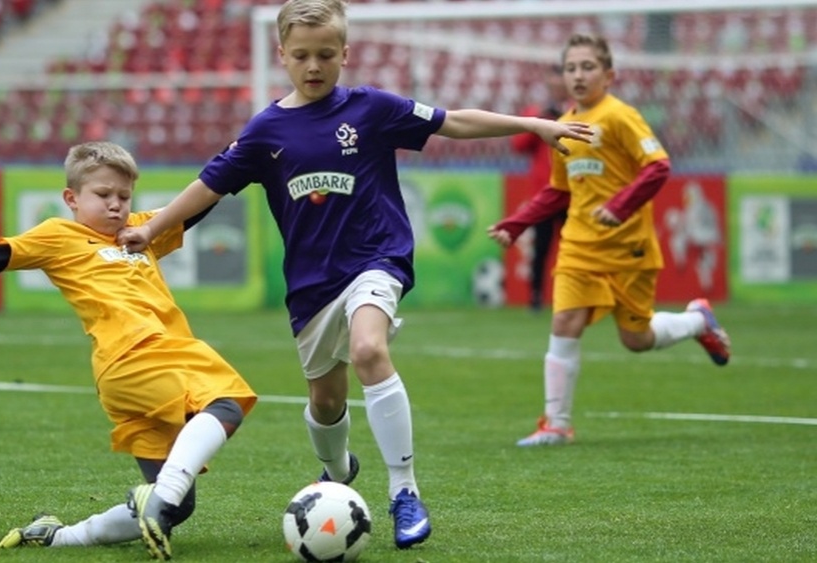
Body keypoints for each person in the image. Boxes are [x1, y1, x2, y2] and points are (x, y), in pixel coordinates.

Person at [115, 0, 591, 550]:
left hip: (377, 259)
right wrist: (151, 230)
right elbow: (210, 184)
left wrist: (532, 122)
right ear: (282, 57)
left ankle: (404, 492)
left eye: (324, 54)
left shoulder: (371, 110)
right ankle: (338, 470)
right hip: (313, 285)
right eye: (301, 56)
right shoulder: (267, 130)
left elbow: (451, 121)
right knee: (325, 401)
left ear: (344, 54)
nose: (313, 65)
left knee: (369, 349)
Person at [0, 141, 257, 561]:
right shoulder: (58, 235)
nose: (116, 206)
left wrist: (238, 154)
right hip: (137, 353)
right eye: (103, 195)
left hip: (132, 376)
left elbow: (199, 201)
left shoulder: (142, 231)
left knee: (178, 506)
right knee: (225, 403)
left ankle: (58, 536)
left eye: (123, 196)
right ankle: (155, 499)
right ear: (72, 198)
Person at [488, 33, 731, 448]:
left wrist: (619, 206)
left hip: (627, 247)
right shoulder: (562, 126)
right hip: (580, 245)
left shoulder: (620, 117)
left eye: (587, 67)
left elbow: (657, 167)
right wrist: (517, 223)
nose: (578, 76)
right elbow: (558, 190)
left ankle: (697, 321)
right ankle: (557, 424)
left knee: (636, 339)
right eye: (571, 68)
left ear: (609, 75)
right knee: (564, 321)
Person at [510, 64, 570, 311]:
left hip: (573, 191)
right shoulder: (536, 113)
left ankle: (574, 296)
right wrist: (541, 121)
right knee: (541, 247)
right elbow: (519, 145)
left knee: (574, 247)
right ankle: (536, 297)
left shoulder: (579, 112)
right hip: (544, 193)